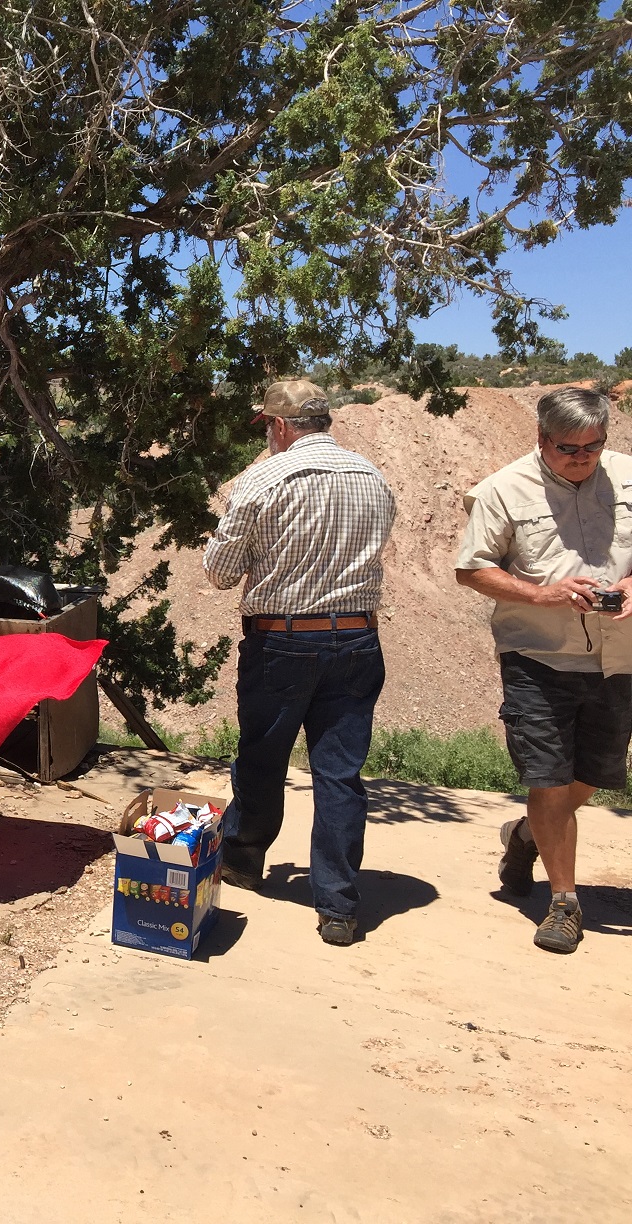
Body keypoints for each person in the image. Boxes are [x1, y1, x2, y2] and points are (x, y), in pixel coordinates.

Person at [202, 380, 398, 946]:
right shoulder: (371, 477)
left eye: (266, 425)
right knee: (339, 772)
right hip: (357, 640)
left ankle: (244, 856)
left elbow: (219, 573)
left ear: (281, 426)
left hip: (283, 643)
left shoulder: (262, 479)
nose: (266, 435)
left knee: (262, 756)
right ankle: (337, 906)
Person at [454, 386, 632, 954]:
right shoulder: (502, 490)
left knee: (593, 776)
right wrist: (544, 594)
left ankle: (528, 834)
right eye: (568, 448)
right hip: (537, 657)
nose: (582, 457)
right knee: (548, 779)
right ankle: (563, 903)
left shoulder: (627, 477)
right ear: (540, 437)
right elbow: (472, 569)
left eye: (593, 446)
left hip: (619, 658)